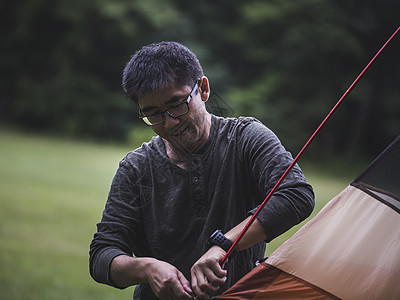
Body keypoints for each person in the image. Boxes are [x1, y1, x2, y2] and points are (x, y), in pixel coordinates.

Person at [89, 41, 315, 299]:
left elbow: (296, 195)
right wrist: (147, 268)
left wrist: (223, 246)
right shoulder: (136, 168)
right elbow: (102, 254)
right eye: (153, 115)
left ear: (203, 89)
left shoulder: (245, 138)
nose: (170, 122)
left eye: (177, 104)